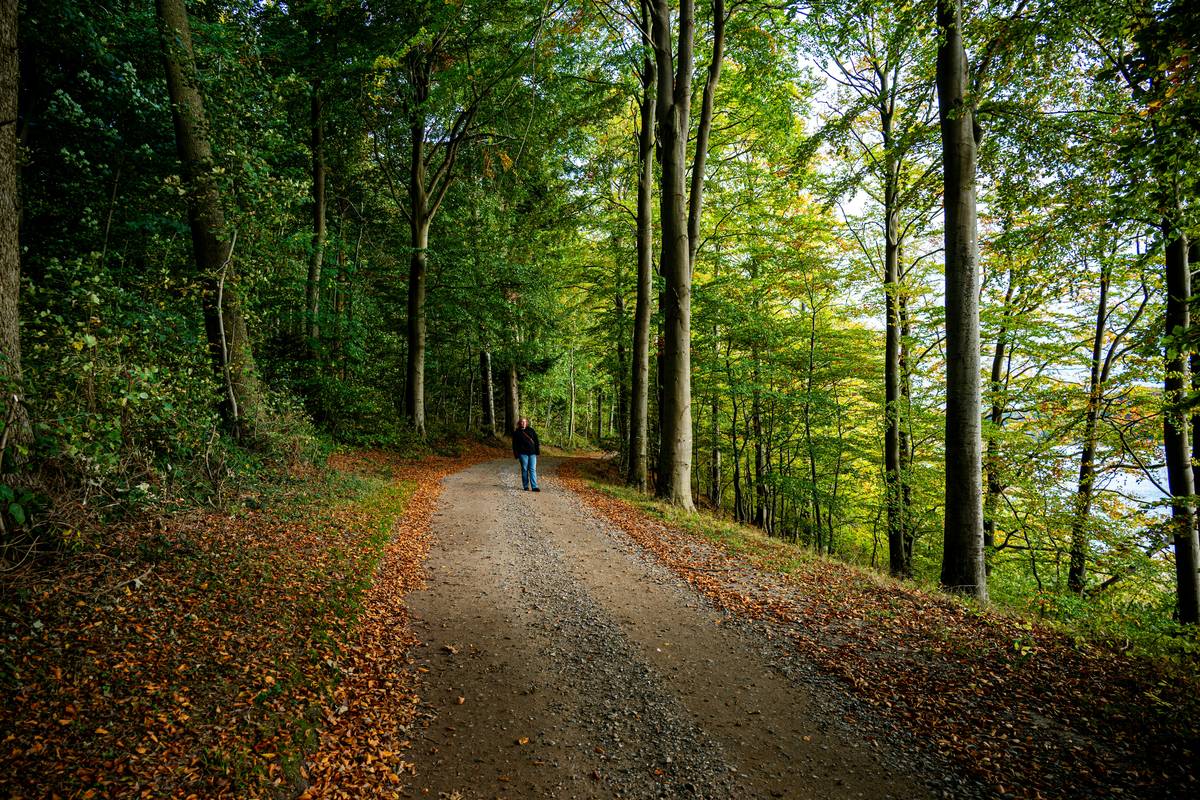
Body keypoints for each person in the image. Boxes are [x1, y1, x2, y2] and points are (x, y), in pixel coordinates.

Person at [512, 417, 541, 491]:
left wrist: (537, 451)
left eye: (525, 422)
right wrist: (516, 454)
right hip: (522, 453)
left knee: (532, 469)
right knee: (525, 469)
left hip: (532, 453)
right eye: (522, 422)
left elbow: (536, 441)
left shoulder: (531, 430)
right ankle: (525, 486)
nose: (523, 423)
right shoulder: (516, 433)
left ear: (527, 423)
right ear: (519, 423)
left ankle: (534, 487)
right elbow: (514, 445)